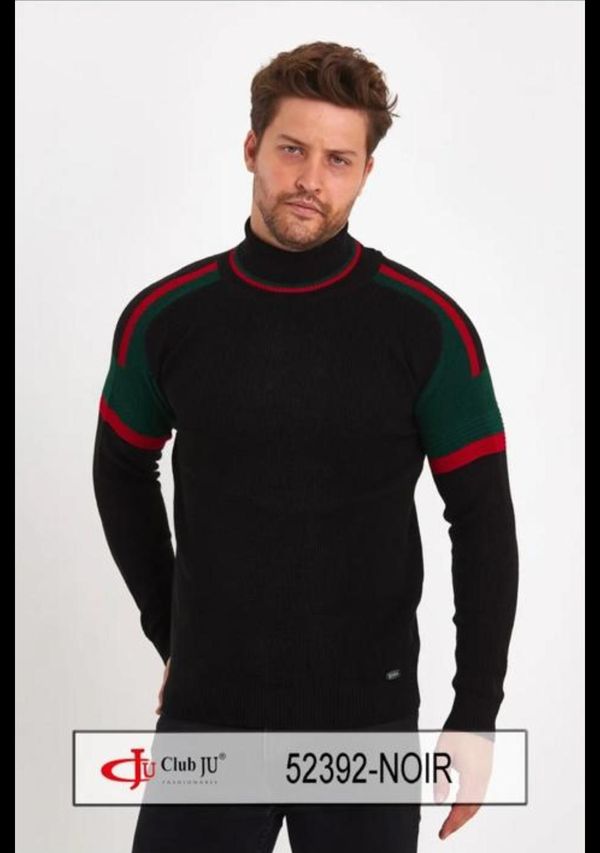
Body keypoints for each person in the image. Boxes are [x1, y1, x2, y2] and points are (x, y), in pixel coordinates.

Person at [92, 40, 519, 852]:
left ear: (365, 172)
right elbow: (119, 466)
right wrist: (174, 631)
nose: (310, 179)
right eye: (292, 149)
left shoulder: (426, 327)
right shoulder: (168, 318)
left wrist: (476, 714)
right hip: (210, 720)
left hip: (367, 724)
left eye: (338, 159)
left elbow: (482, 516)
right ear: (252, 147)